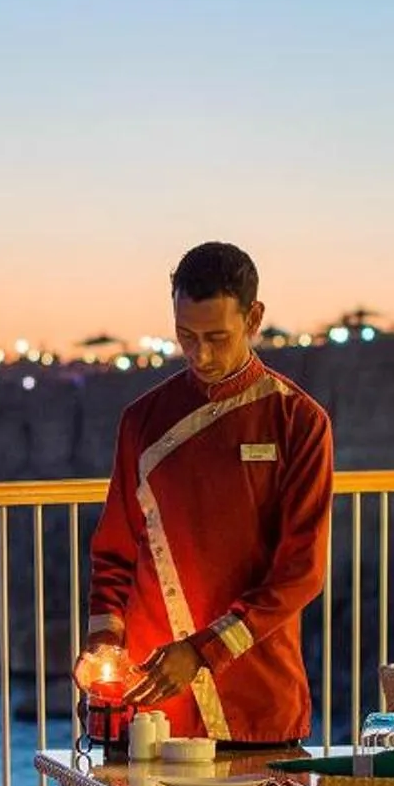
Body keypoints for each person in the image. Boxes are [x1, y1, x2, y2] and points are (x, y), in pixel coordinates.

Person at [84, 242, 333, 743]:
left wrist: (204, 650)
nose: (201, 355)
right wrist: (103, 646)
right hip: (153, 699)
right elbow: (115, 553)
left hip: (257, 692)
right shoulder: (142, 420)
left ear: (254, 317)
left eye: (217, 337)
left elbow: (301, 572)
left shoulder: (299, 422)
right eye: (186, 336)